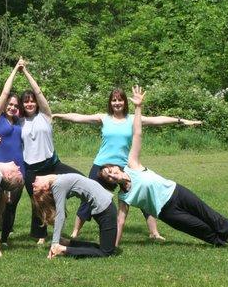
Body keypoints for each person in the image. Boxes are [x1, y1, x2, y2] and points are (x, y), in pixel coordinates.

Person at [98, 86, 228, 253]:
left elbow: (137, 134)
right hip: (167, 214)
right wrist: (114, 246)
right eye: (108, 177)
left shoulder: (132, 165)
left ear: (116, 167)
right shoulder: (124, 196)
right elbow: (120, 221)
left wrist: (139, 107)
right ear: (110, 182)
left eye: (111, 170)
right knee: (203, 231)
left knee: (211, 217)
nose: (112, 174)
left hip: (176, 193)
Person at [53, 89, 202, 245]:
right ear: (110, 103)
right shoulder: (104, 118)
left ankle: (154, 232)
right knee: (89, 198)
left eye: (120, 100)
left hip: (125, 166)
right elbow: (78, 117)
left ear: (125, 102)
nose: (117, 103)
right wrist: (58, 115)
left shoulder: (133, 119)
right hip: (101, 166)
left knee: (144, 195)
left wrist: (180, 120)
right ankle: (76, 232)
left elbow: (157, 120)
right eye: (114, 100)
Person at [18, 61, 82, 244]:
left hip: (52, 165)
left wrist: (26, 72)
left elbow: (38, 91)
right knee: (38, 202)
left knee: (80, 181)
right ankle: (42, 235)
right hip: (31, 169)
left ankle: (78, 218)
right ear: (23, 105)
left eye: (32, 101)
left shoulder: (45, 116)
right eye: (26, 101)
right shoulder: (20, 122)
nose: (30, 103)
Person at [32, 173, 117, 258]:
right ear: (45, 187)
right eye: (35, 187)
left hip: (104, 208)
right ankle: (62, 249)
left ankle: (67, 244)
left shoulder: (59, 179)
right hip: (106, 209)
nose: (33, 184)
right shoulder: (58, 184)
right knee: (106, 252)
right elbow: (60, 215)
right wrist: (55, 243)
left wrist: (56, 242)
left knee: (104, 248)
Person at [0, 58, 26, 245]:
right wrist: (15, 69)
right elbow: (5, 92)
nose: (12, 107)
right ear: (4, 105)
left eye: (15, 105)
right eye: (10, 104)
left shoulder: (20, 121)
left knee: (12, 204)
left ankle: (4, 238)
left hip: (19, 167)